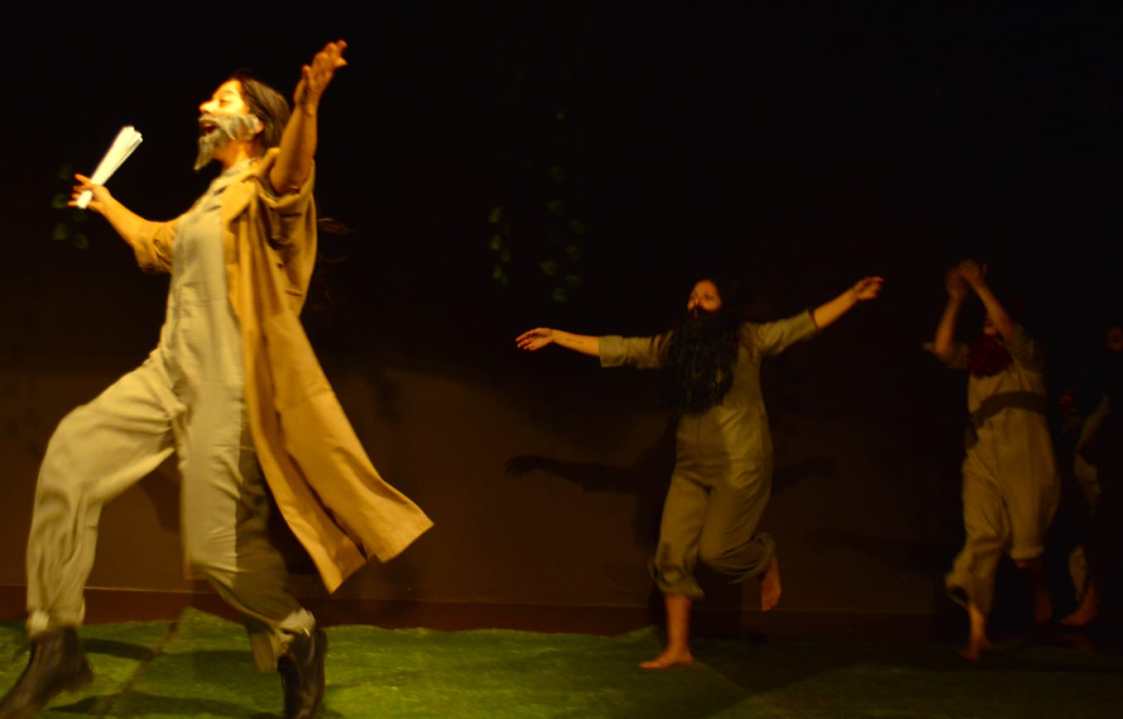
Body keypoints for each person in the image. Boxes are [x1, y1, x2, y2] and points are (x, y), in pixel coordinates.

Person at [0, 40, 432, 719]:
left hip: (226, 392)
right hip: (167, 373)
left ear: (253, 124)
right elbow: (156, 245)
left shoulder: (269, 191)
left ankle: (296, 633)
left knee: (217, 553)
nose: (205, 104)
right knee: (69, 459)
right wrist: (105, 201)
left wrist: (308, 106)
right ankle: (55, 643)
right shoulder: (212, 203)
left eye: (222, 99)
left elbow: (295, 171)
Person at [516, 273, 884, 669]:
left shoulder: (748, 340)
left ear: (723, 307)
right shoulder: (675, 347)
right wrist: (558, 336)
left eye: (707, 297)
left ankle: (764, 558)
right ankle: (678, 649)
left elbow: (801, 326)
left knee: (717, 552)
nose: (697, 303)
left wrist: (851, 296)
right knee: (671, 554)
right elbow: (621, 348)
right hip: (690, 468)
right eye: (693, 297)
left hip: (740, 465)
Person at [929, 259, 1058, 661]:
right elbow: (943, 348)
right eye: (983, 318)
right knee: (981, 541)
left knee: (1025, 552)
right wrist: (956, 299)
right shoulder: (977, 364)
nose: (989, 322)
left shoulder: (1028, 358)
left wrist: (981, 287)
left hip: (1026, 455)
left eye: (993, 318)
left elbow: (1007, 327)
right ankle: (977, 635)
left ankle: (1039, 585)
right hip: (983, 455)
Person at [1061, 320, 1123, 627]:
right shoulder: (1104, 382)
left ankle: (1092, 605)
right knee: (1099, 539)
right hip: (1107, 472)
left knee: (1103, 537)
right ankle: (1091, 605)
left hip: (1111, 472)